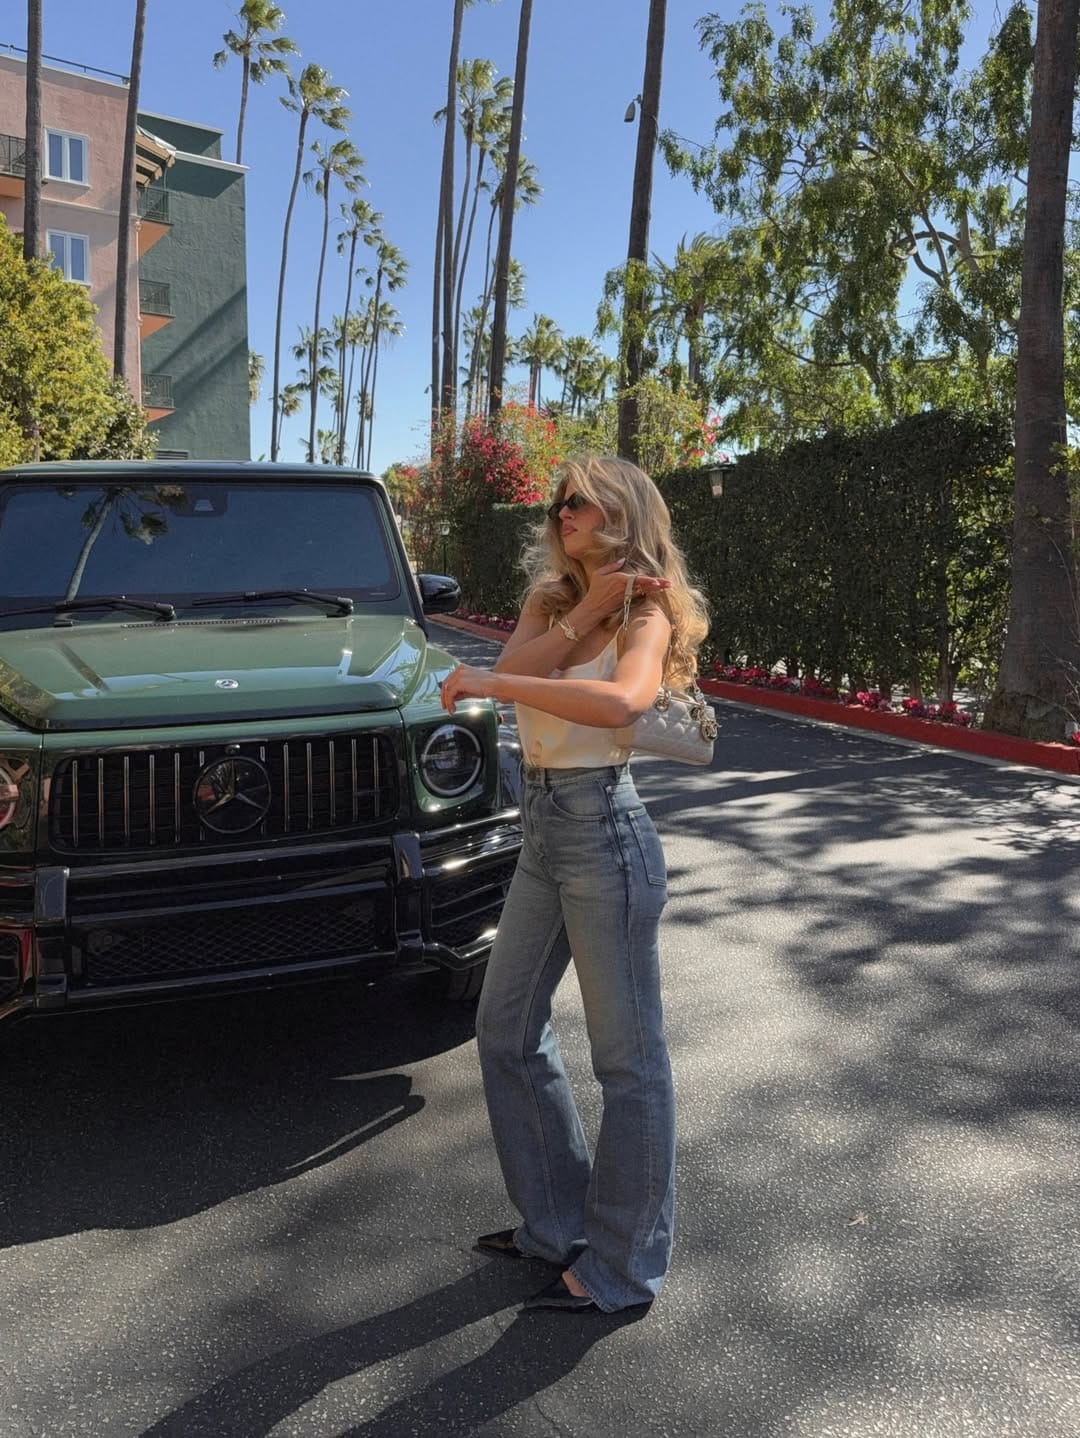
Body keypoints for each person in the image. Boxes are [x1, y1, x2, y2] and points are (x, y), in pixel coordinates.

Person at [439, 455, 709, 1314]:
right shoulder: (552, 600)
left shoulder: (649, 612)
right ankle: (555, 1226)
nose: (564, 514)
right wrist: (582, 612)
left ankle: (623, 1268)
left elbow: (623, 703)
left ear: (623, 513)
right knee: (504, 1028)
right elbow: (522, 664)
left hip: (604, 834)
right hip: (543, 830)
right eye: (559, 503)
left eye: (582, 503)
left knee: (629, 1062)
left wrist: (496, 679)